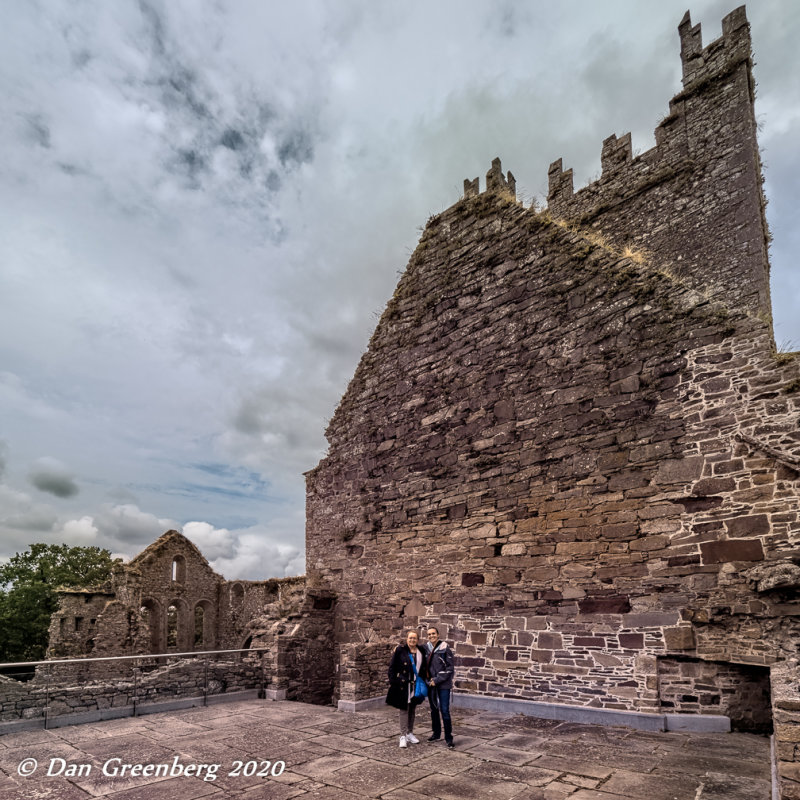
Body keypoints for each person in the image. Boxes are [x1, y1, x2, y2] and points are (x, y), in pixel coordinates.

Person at [386, 629, 429, 748]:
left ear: (418, 640)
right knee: (404, 709)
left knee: (412, 709)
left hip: (416, 686)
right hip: (403, 685)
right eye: (410, 638)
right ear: (407, 639)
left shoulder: (421, 650)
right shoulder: (400, 650)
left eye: (414, 638)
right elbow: (392, 668)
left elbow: (424, 667)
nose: (412, 640)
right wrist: (394, 682)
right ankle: (403, 735)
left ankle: (410, 733)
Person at [424, 626, 454, 748]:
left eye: (433, 634)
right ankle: (436, 734)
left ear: (438, 635)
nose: (431, 636)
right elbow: (421, 666)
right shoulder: (425, 649)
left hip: (443, 685)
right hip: (430, 684)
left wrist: (436, 680)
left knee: (445, 711)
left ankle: (448, 738)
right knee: (434, 710)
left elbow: (450, 668)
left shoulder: (445, 648)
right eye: (429, 634)